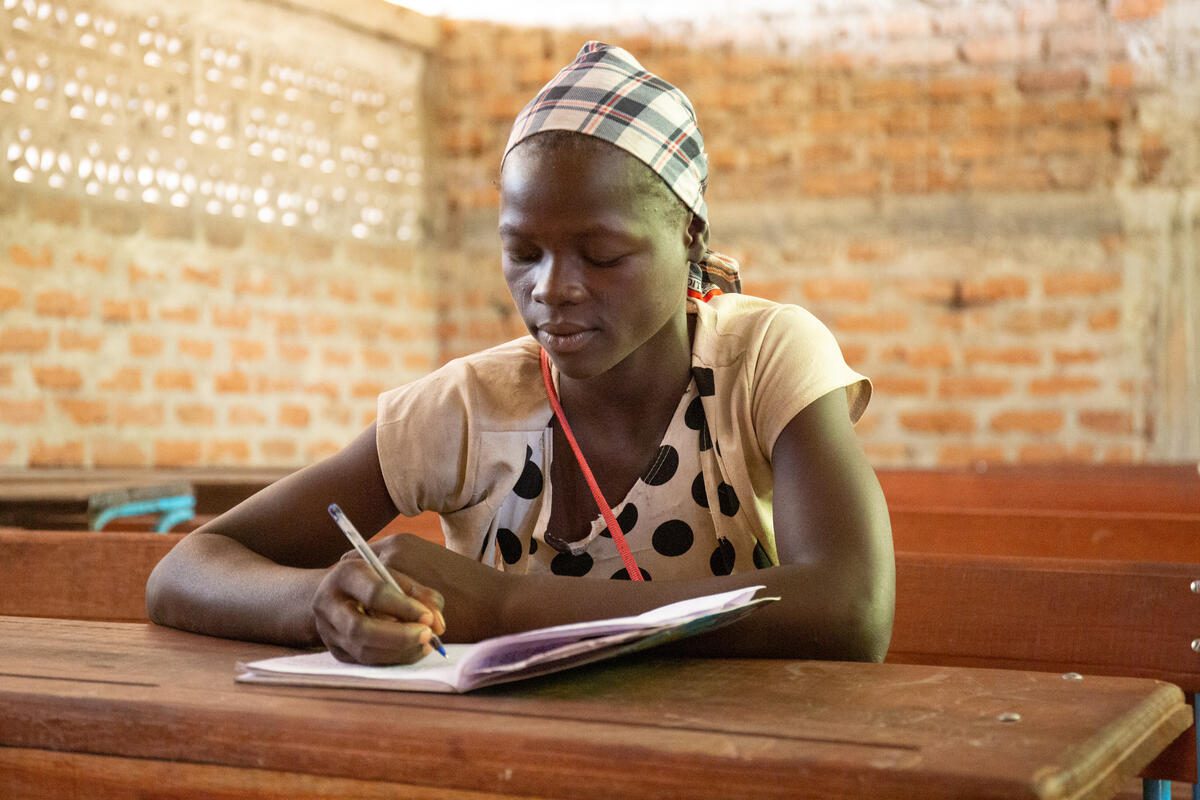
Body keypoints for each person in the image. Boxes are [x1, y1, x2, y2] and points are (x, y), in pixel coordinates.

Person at [147, 42, 894, 666]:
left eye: (601, 255)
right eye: (523, 252)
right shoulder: (471, 408)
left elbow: (851, 607)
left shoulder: (762, 360)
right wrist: (320, 603)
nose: (554, 289)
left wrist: (506, 607)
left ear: (691, 237)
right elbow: (186, 569)